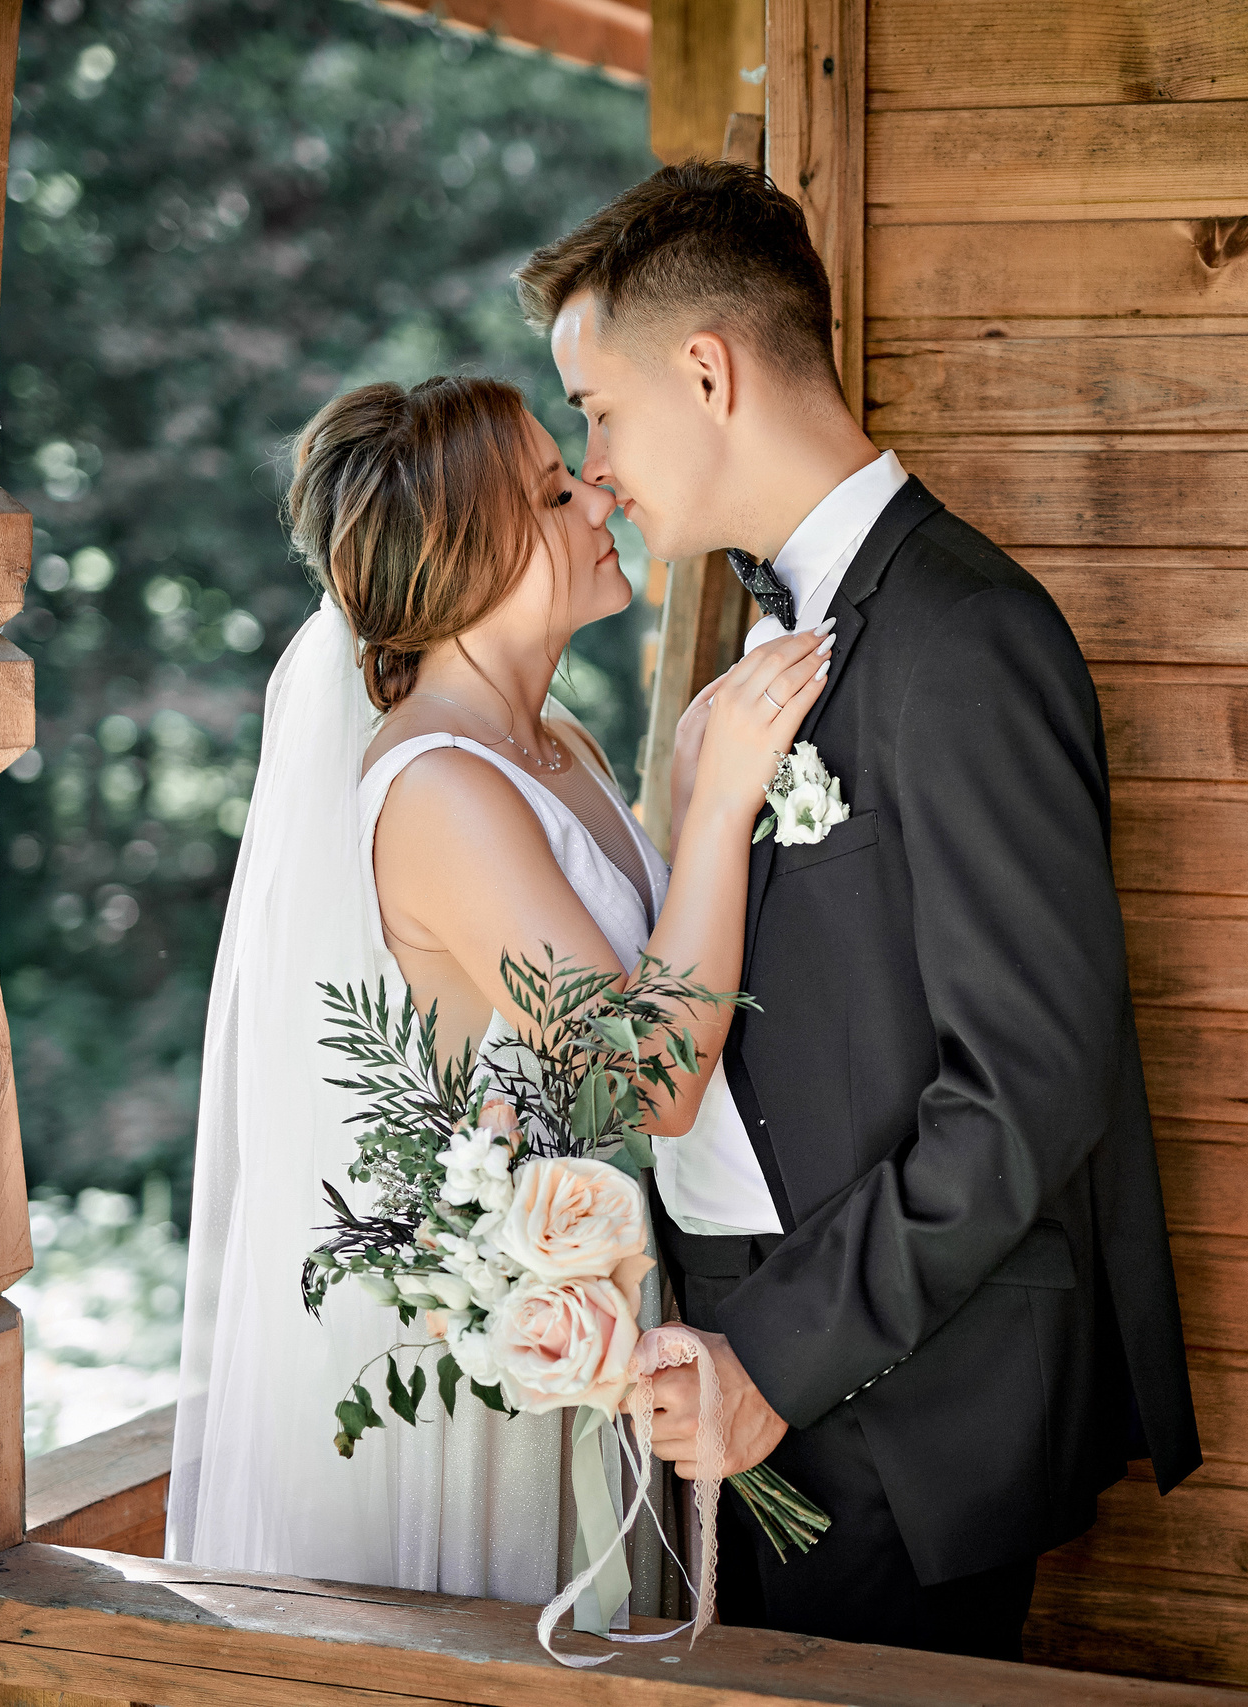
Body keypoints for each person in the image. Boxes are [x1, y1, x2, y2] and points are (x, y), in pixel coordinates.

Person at [515, 161, 1202, 1660]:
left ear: (707, 370)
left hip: (901, 1407)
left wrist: (774, 1349)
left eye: (598, 411)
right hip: (726, 1386)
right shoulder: (763, 636)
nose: (597, 462)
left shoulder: (967, 636)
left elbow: (1030, 1085)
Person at [166, 374, 831, 1602]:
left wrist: (687, 800)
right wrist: (729, 799)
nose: (596, 496)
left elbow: (643, 975)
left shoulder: (553, 746)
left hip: (603, 1318)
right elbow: (650, 1076)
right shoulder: (438, 792)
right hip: (489, 1395)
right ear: (465, 552)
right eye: (548, 490)